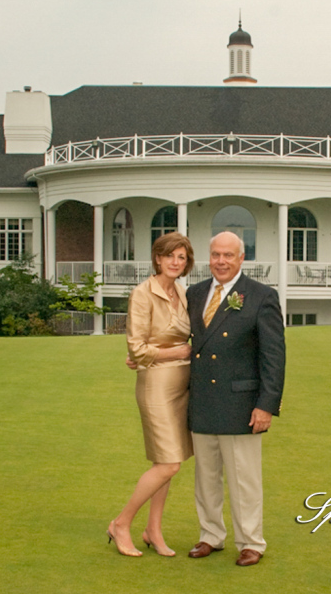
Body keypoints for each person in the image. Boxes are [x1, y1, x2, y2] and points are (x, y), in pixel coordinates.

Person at [185, 231, 285, 567]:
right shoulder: (195, 293)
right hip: (202, 401)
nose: (221, 261)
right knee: (205, 478)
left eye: (228, 255)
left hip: (241, 405)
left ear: (242, 258)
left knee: (245, 480)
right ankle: (210, 535)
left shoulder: (261, 296)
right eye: (216, 254)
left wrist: (266, 405)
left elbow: (273, 357)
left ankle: (251, 541)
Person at [108, 232, 196, 557]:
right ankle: (121, 523)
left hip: (182, 385)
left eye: (181, 257)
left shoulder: (183, 293)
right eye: (169, 255)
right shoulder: (142, 294)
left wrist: (178, 352)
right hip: (156, 385)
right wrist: (176, 352)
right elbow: (138, 348)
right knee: (169, 464)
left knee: (167, 460)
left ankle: (153, 530)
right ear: (157, 258)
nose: (175, 262)